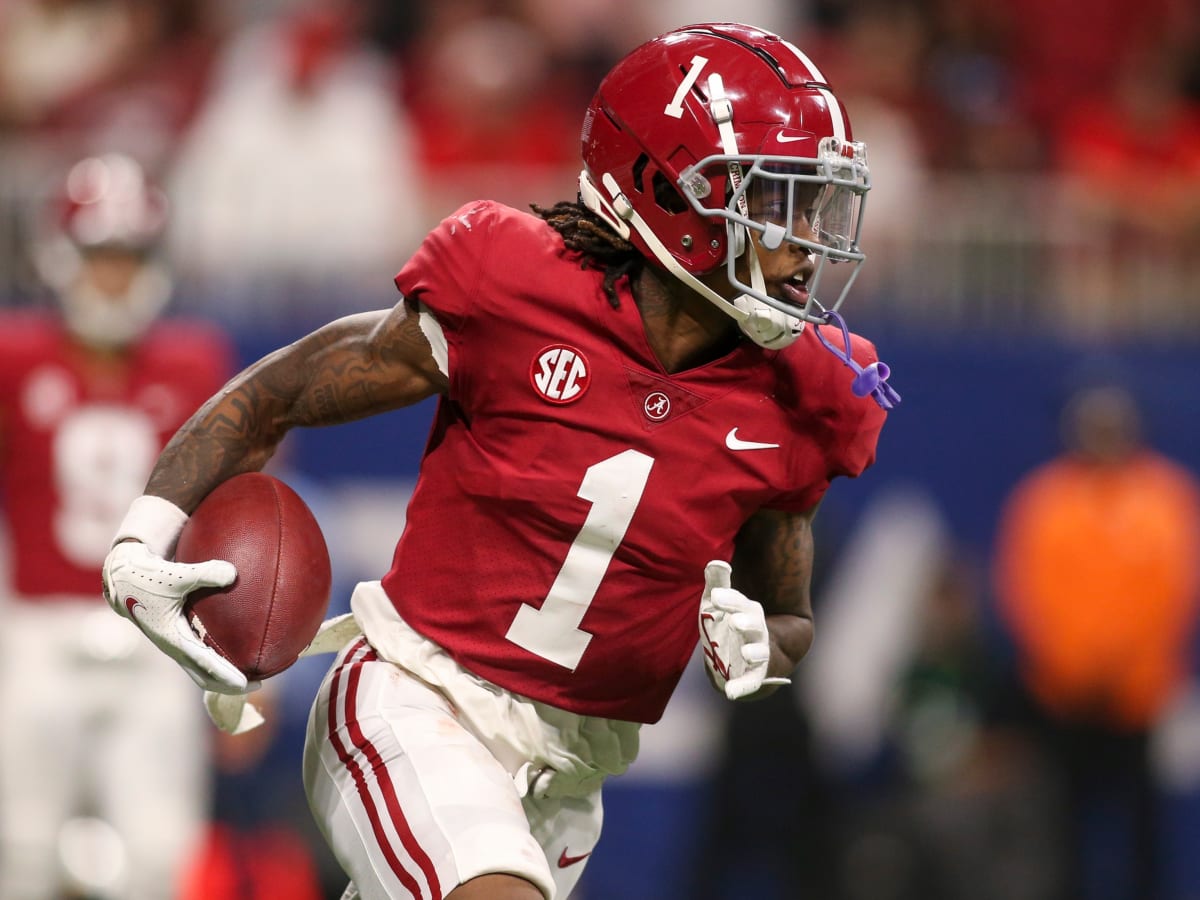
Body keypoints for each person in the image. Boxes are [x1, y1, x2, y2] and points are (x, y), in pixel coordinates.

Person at [100, 23, 897, 900]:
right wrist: (140, 541)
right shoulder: (515, 285)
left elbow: (786, 614)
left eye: (814, 203)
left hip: (570, 781)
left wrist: (763, 650)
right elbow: (279, 392)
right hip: (416, 696)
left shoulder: (804, 393)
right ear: (667, 190)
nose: (806, 240)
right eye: (772, 198)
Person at [0, 153, 235, 899]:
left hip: (156, 637)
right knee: (22, 848)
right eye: (103, 257)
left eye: (129, 258)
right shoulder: (14, 358)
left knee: (160, 855)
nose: (115, 277)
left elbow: (231, 516)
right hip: (34, 631)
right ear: (62, 257)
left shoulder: (193, 363)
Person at [993, 376, 1200, 900]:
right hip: (1062, 697)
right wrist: (1073, 665)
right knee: (1059, 825)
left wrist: (1124, 667)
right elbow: (1026, 592)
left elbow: (1174, 593)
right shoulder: (1045, 499)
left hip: (1138, 697)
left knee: (1142, 826)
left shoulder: (1166, 497)